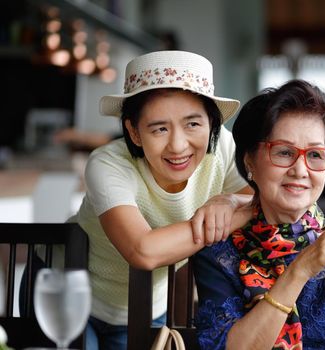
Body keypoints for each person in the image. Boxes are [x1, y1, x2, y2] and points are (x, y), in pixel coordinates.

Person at [23, 50, 253, 350]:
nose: (178, 145)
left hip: (144, 306)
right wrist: (235, 211)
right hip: (65, 292)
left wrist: (230, 201)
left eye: (193, 124)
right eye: (159, 128)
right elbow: (142, 250)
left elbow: (255, 199)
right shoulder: (107, 164)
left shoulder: (223, 147)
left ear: (212, 122)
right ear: (133, 131)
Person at [193, 80, 325, 349]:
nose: (300, 169)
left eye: (315, 154)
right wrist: (300, 270)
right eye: (284, 152)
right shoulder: (219, 251)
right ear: (249, 160)